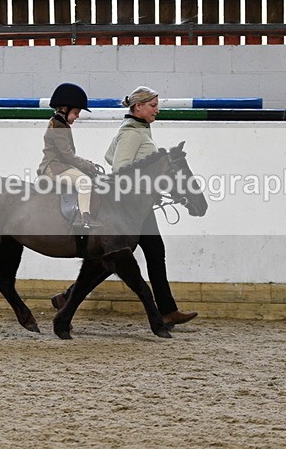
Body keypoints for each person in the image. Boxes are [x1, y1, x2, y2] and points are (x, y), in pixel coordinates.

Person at [51, 86, 198, 327]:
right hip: (130, 207)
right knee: (134, 257)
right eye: (152, 106)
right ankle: (167, 311)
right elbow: (120, 168)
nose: (156, 111)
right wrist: (146, 184)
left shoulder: (135, 129)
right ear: (138, 106)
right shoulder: (133, 132)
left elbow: (110, 156)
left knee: (132, 257)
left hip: (136, 204)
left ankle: (68, 297)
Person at [38, 83, 103, 229]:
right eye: (76, 112)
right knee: (84, 181)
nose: (78, 116)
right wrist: (88, 165)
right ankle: (84, 218)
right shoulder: (59, 126)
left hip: (60, 166)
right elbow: (68, 155)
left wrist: (86, 162)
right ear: (65, 109)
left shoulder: (60, 123)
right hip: (54, 168)